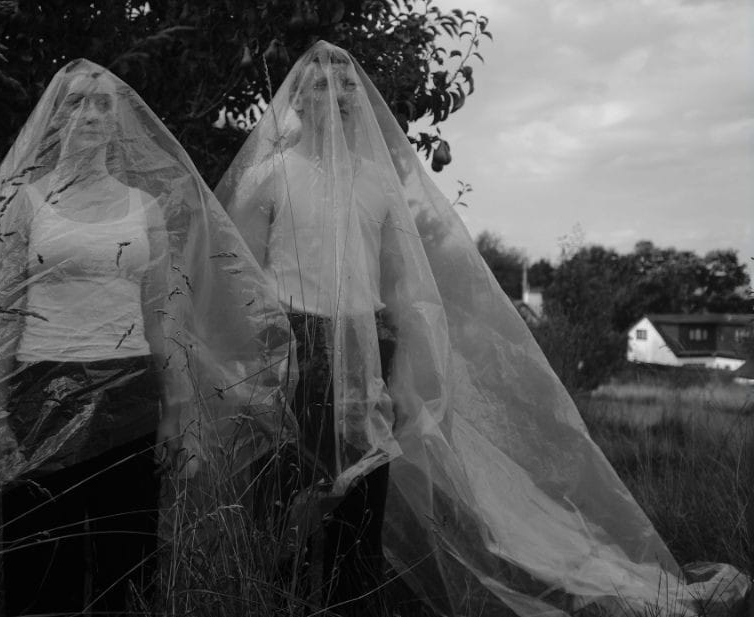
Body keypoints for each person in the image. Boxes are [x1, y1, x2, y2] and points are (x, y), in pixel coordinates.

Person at [216, 40, 750, 617]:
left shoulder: (376, 181)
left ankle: (351, 601)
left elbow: (404, 287)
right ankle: (278, 598)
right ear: (297, 101)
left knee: (363, 496)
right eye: (323, 85)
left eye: (348, 85)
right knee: (290, 490)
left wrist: (405, 363)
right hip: (298, 344)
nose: (340, 96)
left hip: (370, 341)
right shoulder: (271, 177)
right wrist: (270, 356)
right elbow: (240, 277)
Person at [0, 59, 294, 616]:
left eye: (103, 103)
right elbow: (0, 320)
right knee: (39, 567)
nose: (90, 112)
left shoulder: (144, 207)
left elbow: (166, 315)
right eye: (76, 101)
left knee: (125, 564)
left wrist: (181, 415)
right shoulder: (26, 202)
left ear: (117, 120)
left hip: (129, 393)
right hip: (40, 391)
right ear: (56, 116)